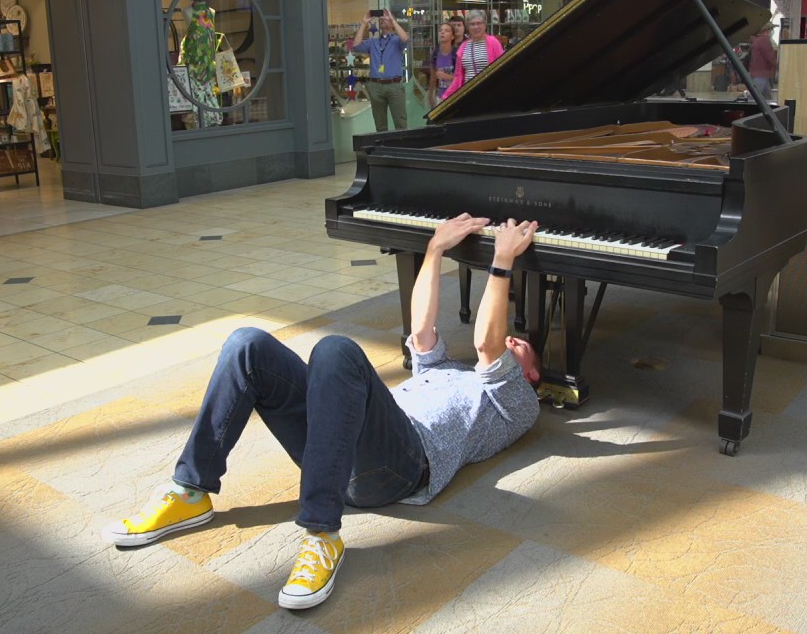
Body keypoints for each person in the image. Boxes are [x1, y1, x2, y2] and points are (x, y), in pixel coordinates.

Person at [102, 214, 543, 610]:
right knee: (247, 344)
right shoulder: (446, 367)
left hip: (400, 466)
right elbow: (422, 328)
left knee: (336, 351)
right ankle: (191, 491)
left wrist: (501, 261)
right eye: (513, 338)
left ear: (533, 374)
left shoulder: (516, 403)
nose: (512, 341)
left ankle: (321, 535)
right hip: (335, 448)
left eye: (522, 345)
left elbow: (487, 342)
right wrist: (435, 249)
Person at [352, 9, 410, 132]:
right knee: (380, 124)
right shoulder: (373, 42)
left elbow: (405, 39)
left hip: (394, 85)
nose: (382, 19)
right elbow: (356, 45)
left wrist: (393, 20)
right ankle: (382, 148)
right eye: (381, 18)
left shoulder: (396, 40)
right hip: (376, 85)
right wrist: (364, 23)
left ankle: (403, 148)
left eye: (386, 17)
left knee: (400, 122)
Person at [441, 11, 505, 100]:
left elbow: (503, 68)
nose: (476, 27)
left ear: (485, 25)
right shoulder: (463, 47)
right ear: (467, 27)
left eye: (479, 23)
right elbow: (458, 76)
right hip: (468, 96)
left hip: (490, 94)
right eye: (472, 24)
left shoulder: (494, 43)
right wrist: (446, 96)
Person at [428, 22, 458, 107]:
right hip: (440, 97)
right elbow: (433, 76)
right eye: (440, 30)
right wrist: (430, 94)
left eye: (446, 30)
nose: (442, 32)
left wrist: (447, 76)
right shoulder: (435, 53)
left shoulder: (456, 54)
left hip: (455, 96)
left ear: (452, 36)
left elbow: (462, 78)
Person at [747, 23, 777, 101]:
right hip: (762, 74)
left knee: (767, 98)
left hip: (757, 73)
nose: (772, 31)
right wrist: (777, 64)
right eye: (771, 29)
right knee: (754, 99)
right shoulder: (764, 40)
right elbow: (769, 57)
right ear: (767, 30)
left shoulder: (757, 40)